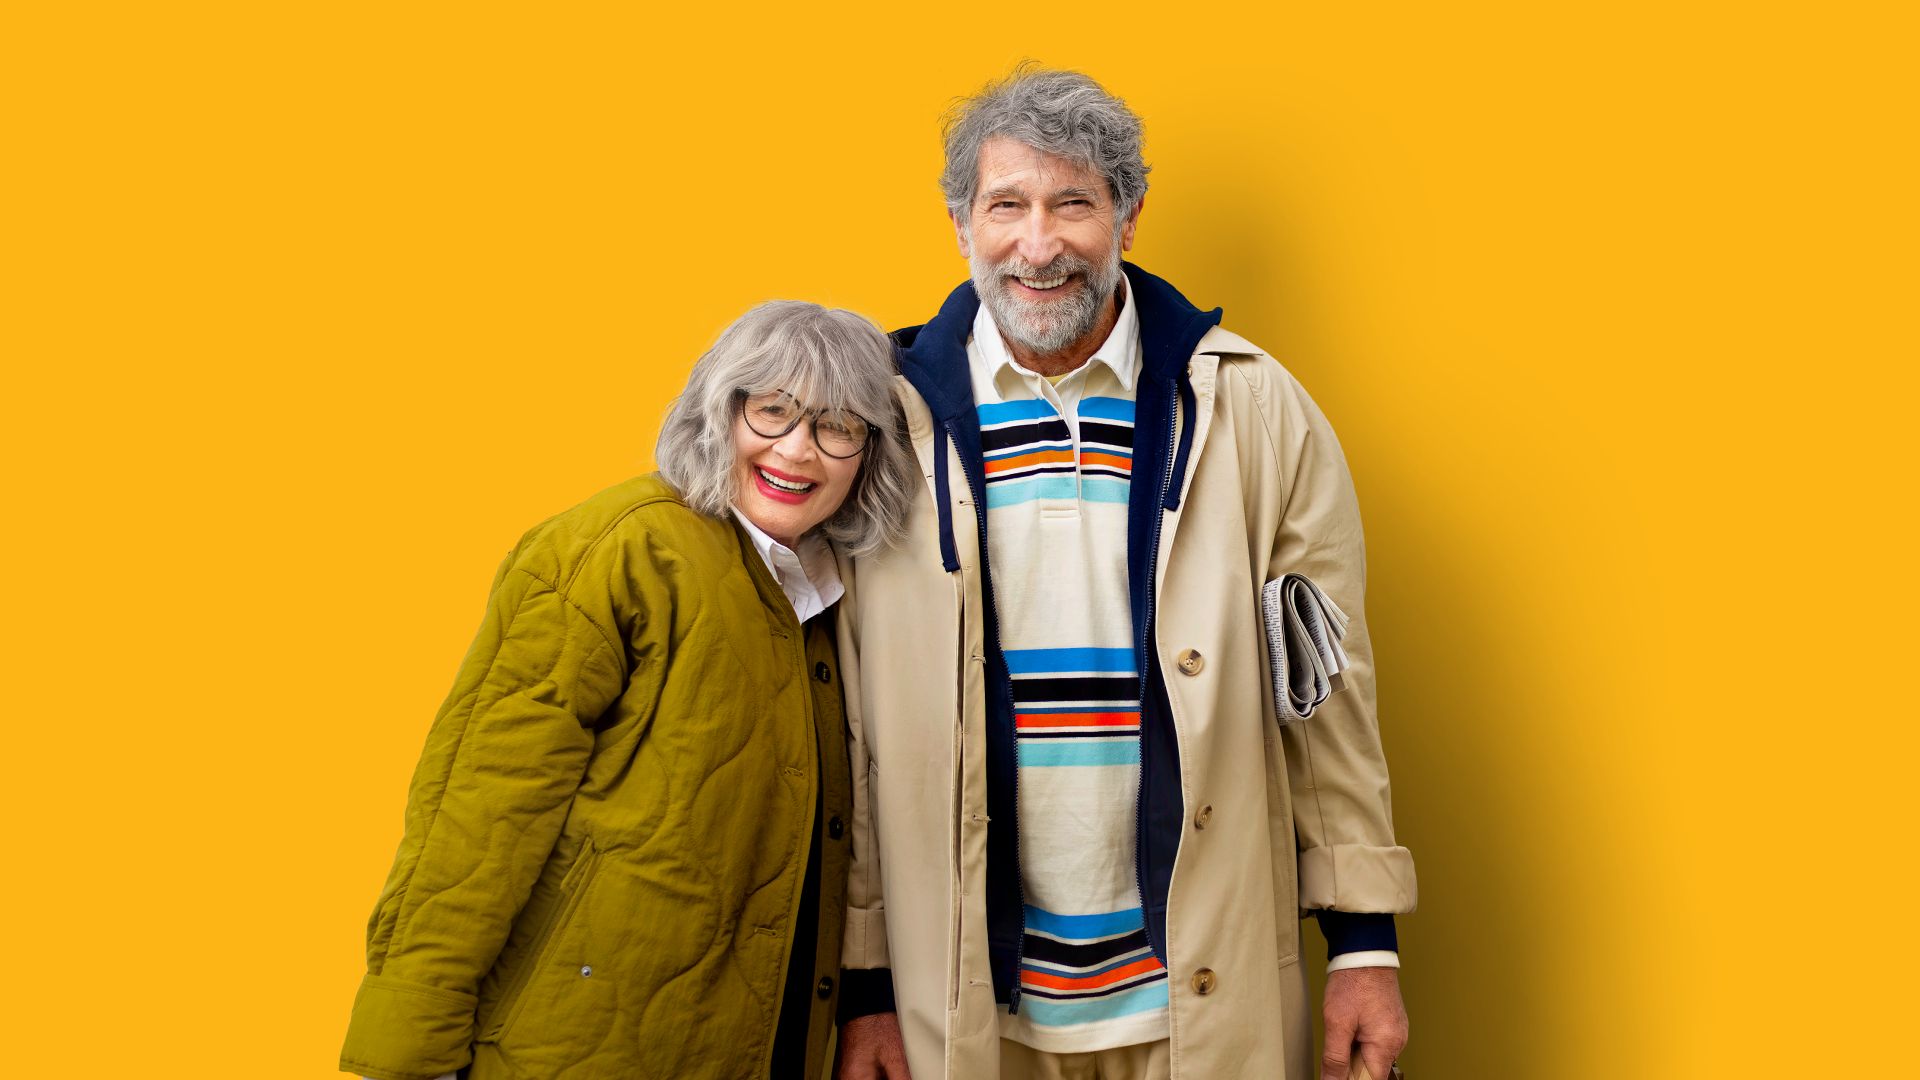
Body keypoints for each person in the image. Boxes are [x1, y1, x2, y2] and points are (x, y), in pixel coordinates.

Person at [831, 67, 1417, 1080]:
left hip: (1194, 998)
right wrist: (870, 985)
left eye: (1075, 204)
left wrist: (1364, 945)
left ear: (1130, 217)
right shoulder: (882, 418)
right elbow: (854, 730)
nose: (1039, 244)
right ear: (961, 223)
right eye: (1006, 205)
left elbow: (1327, 694)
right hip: (966, 1001)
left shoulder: (1252, 407)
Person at [337, 301, 917, 1080]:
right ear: (720, 411)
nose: (797, 450)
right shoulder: (618, 550)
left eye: (837, 426)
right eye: (773, 411)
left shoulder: (826, 596)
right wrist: (408, 1056)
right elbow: (478, 814)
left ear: (868, 453)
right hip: (575, 1046)